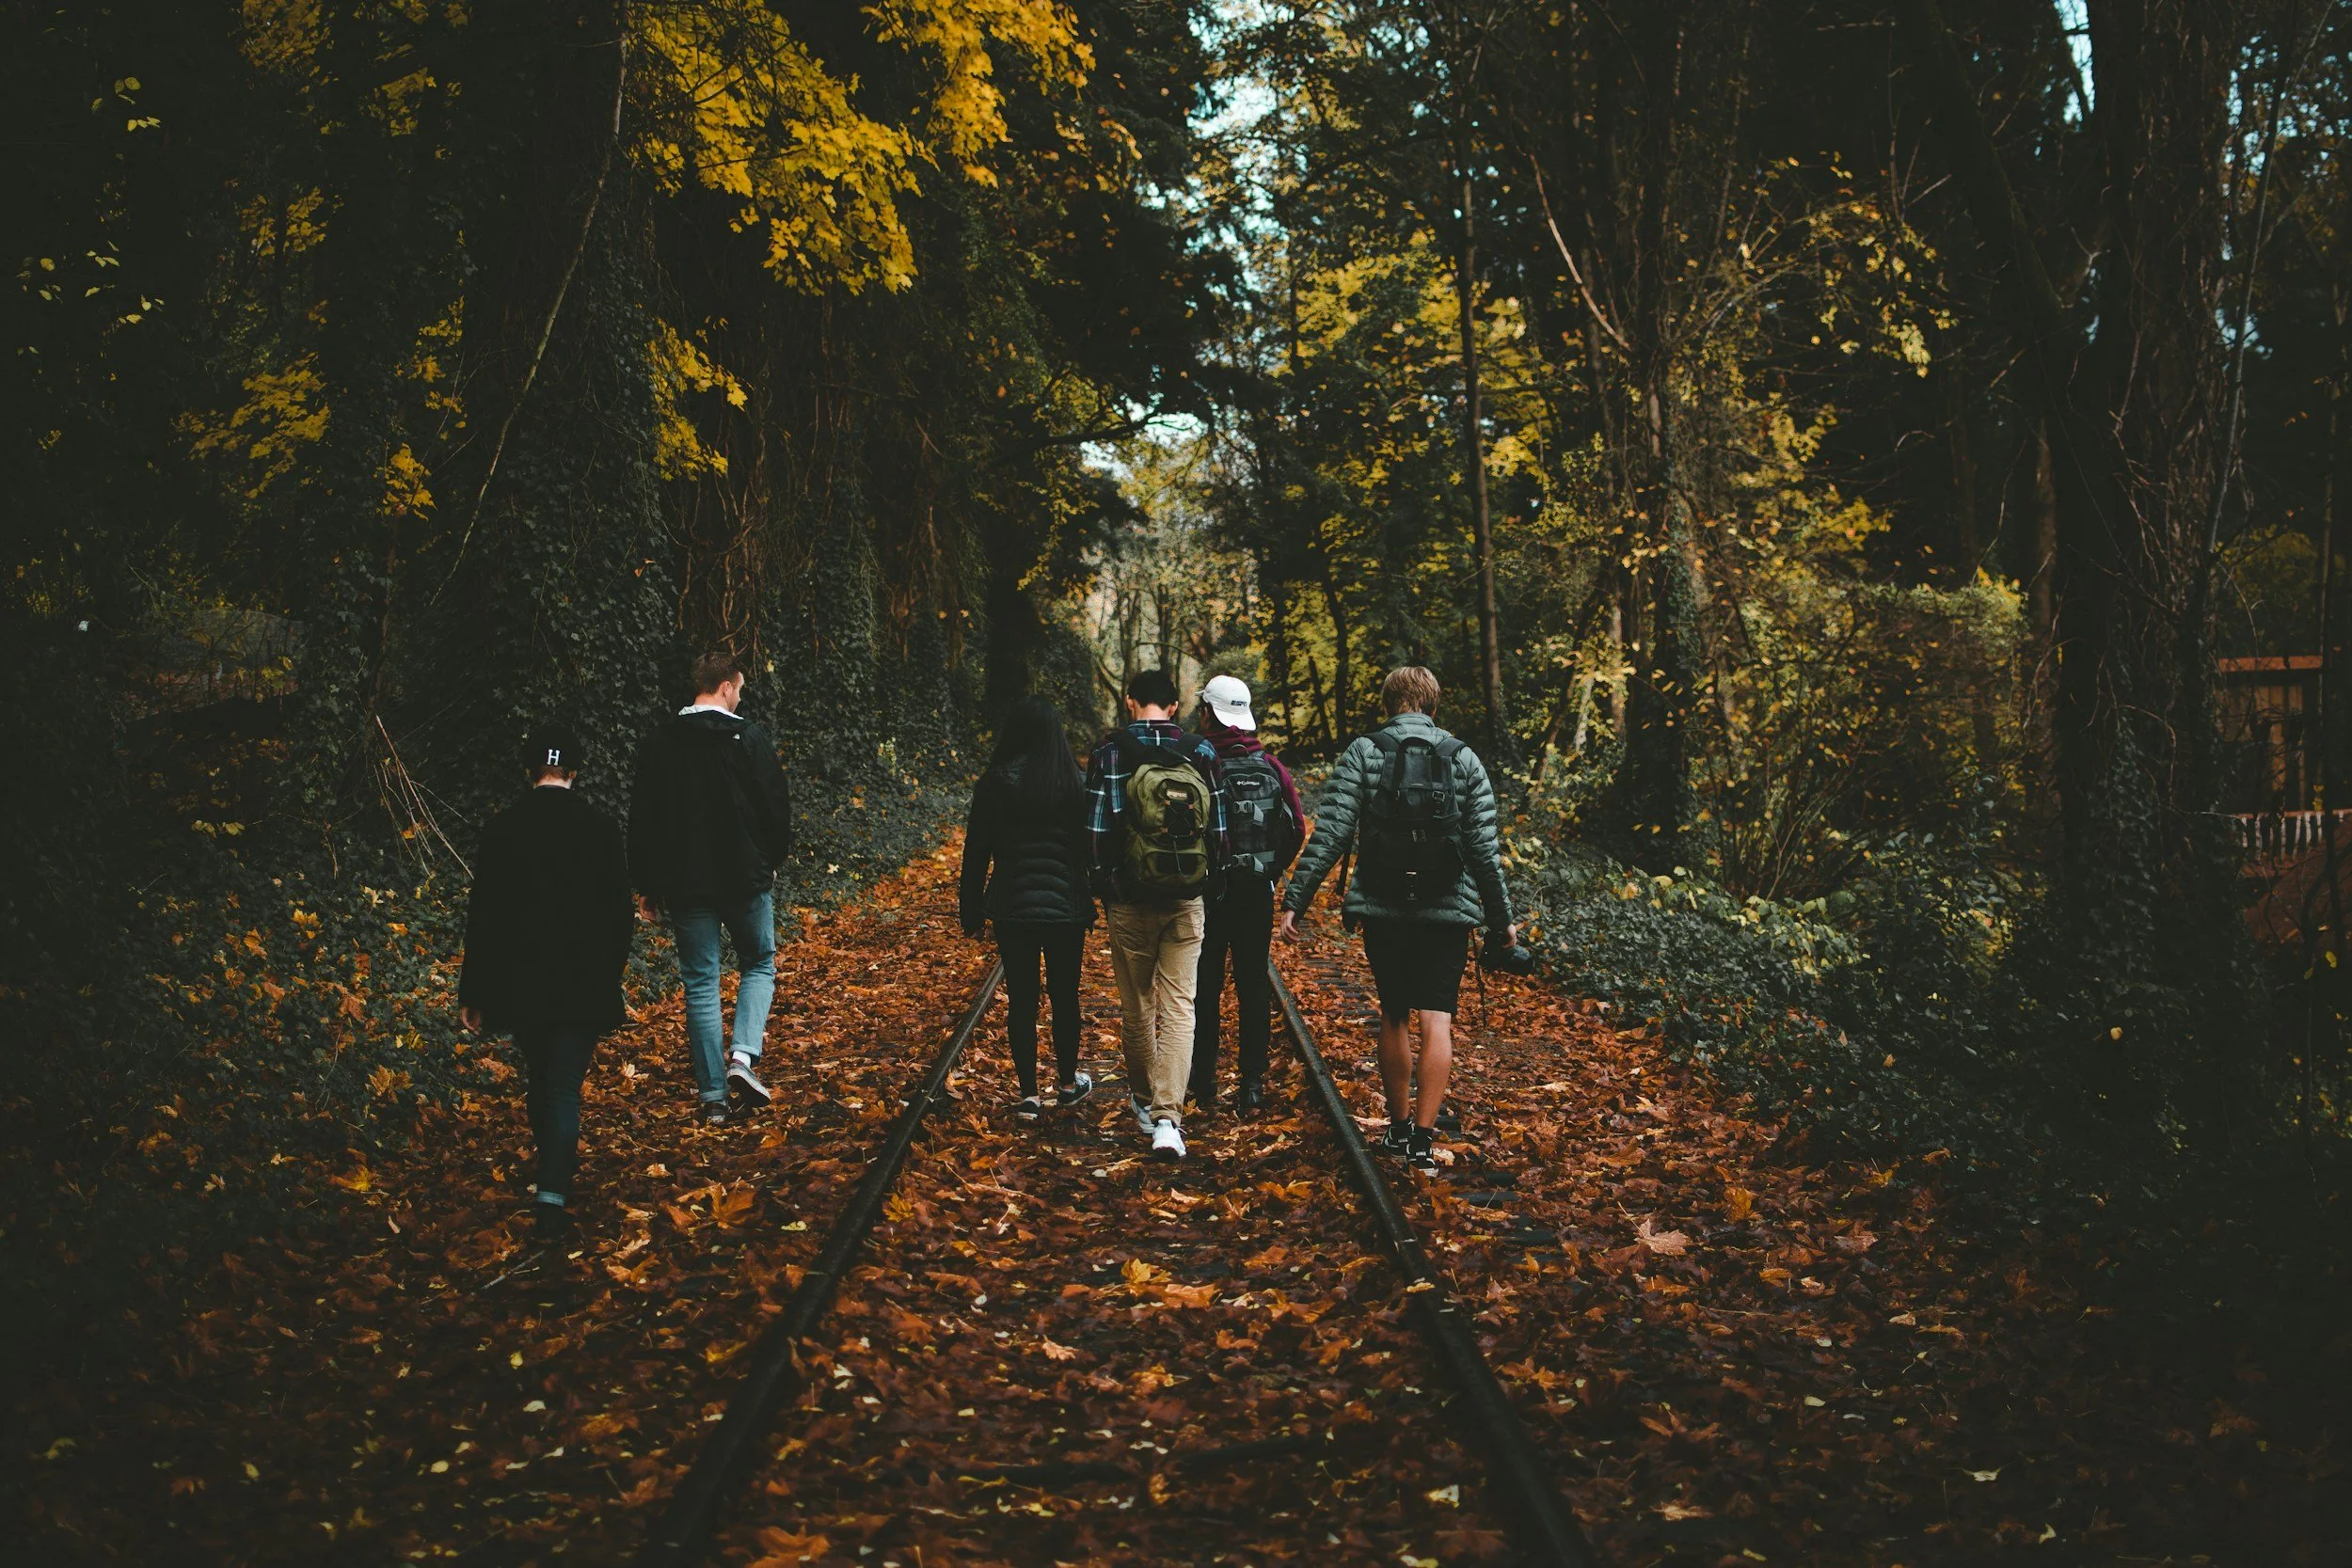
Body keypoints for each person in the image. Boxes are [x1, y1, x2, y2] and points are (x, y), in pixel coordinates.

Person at [1279, 666, 1518, 1172]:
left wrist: (1296, 899)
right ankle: (1424, 1140)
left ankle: (1398, 1125)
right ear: (1433, 707)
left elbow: (1332, 833)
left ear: (1388, 705)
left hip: (1384, 905)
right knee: (1437, 1019)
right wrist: (1502, 921)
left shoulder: (1364, 752)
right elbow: (1483, 850)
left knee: (1393, 1013)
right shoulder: (1465, 759)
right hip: (1449, 909)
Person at [459, 726, 637, 1234]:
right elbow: (618, 913)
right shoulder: (601, 828)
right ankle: (553, 1193)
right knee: (563, 1086)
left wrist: (474, 991)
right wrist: (609, 971)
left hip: (520, 982)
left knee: (542, 1078)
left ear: (528, 771)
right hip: (582, 981)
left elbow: (485, 916)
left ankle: (550, 1174)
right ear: (574, 771)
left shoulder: (501, 829)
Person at [628, 650, 793, 1127]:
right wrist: (771, 861)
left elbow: (644, 820)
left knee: (701, 982)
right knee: (758, 963)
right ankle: (743, 1056)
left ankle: (713, 1097)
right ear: (725, 687)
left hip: (685, 884)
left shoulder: (661, 742)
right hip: (744, 878)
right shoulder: (747, 738)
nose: (741, 697)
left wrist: (648, 884)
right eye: (739, 689)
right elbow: (775, 806)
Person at [1085, 669, 1231, 1161]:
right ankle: (1170, 1120)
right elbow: (1220, 831)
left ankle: (1146, 1105)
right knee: (1180, 1008)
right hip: (1186, 898)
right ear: (1175, 706)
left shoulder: (1110, 751)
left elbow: (1096, 831)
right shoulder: (1202, 751)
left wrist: (1107, 886)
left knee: (1137, 1008)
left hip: (1129, 898)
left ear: (1130, 702)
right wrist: (1207, 883)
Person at [959, 695, 1097, 1121]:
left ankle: (1029, 1095)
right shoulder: (1077, 782)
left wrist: (971, 910)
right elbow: (1090, 848)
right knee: (1065, 997)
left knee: (1021, 999)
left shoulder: (995, 783)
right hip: (1065, 910)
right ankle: (1069, 1085)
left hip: (1013, 908)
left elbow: (976, 852)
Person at [1188, 674, 1304, 1113]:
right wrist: (1270, 870)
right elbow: (1296, 828)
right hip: (1256, 892)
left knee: (1206, 986)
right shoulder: (1271, 767)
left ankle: (1204, 1084)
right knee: (1253, 985)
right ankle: (1251, 1085)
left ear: (1207, 714)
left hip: (1209, 893)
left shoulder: (1199, 763)